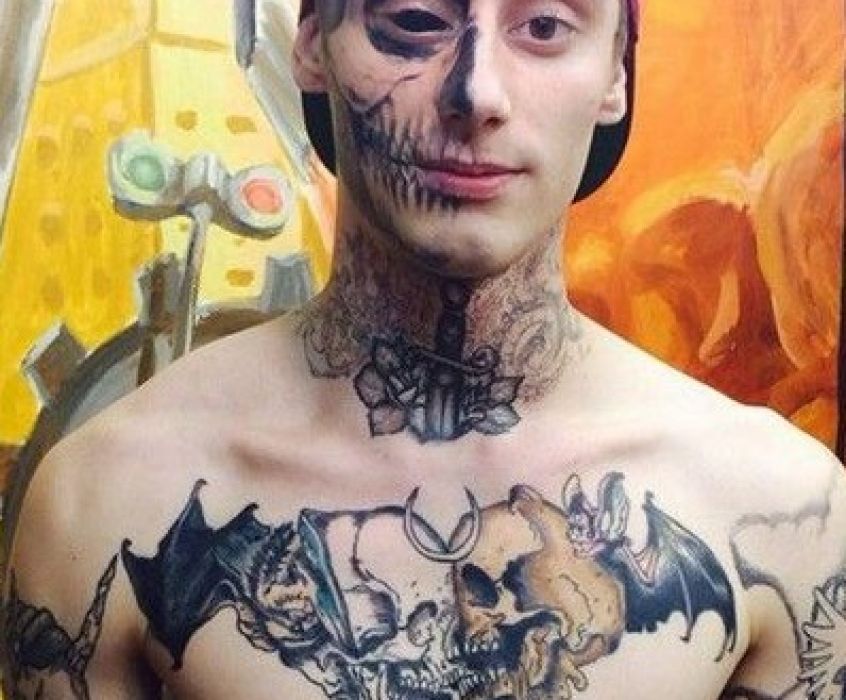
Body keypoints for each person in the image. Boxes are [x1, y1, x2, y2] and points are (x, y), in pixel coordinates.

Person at [3, 0, 845, 697]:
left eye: (543, 26)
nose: (476, 92)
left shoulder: (776, 517)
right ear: (311, 41)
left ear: (616, 71)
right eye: (413, 21)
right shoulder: (107, 502)